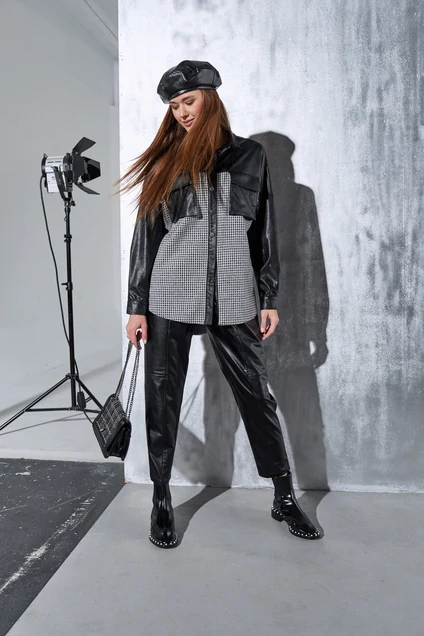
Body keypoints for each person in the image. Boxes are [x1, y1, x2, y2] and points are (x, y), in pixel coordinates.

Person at [118, 60, 322, 548]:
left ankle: (283, 496)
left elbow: (265, 229)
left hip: (232, 291)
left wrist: (268, 296)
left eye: (188, 101)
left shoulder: (251, 156)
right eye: (174, 106)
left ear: (209, 98)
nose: (182, 112)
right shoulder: (166, 158)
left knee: (255, 394)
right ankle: (161, 497)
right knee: (162, 395)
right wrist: (136, 305)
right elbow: (147, 235)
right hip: (170, 290)